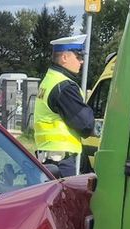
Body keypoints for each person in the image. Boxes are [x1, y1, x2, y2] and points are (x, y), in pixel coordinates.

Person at [33, 35, 95, 177]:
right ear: (65, 58)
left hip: (49, 159)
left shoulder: (49, 80)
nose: (82, 60)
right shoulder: (64, 87)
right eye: (78, 56)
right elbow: (86, 125)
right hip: (64, 163)